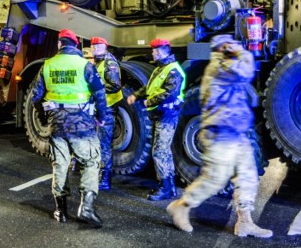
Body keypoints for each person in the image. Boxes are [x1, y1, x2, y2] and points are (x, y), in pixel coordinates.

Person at [166, 34, 273, 238]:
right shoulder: (221, 68)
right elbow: (247, 70)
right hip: (220, 133)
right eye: (230, 44)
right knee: (215, 179)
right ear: (222, 48)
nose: (236, 47)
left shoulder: (226, 66)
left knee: (247, 175)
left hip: (235, 131)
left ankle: (245, 221)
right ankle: (181, 205)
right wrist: (241, 52)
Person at [31, 29, 108, 227]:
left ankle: (61, 210)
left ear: (59, 45)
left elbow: (35, 97)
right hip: (83, 126)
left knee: (60, 165)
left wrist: (44, 116)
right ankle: (86, 209)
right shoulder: (85, 65)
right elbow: (100, 94)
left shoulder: (48, 66)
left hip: (57, 125)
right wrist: (101, 117)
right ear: (76, 45)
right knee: (90, 162)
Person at [127, 38, 185, 201]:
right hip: (160, 115)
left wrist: (148, 102)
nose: (152, 53)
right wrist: (136, 95)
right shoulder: (161, 69)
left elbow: (169, 93)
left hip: (167, 116)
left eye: (154, 51)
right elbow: (150, 88)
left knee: (160, 152)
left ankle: (165, 188)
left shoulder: (173, 70)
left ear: (160, 52)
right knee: (163, 152)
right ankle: (169, 187)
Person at [90, 37, 123, 190]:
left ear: (105, 47)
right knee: (99, 142)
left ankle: (105, 178)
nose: (95, 49)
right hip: (101, 107)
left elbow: (115, 86)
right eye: (93, 46)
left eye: (98, 46)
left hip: (108, 108)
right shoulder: (98, 62)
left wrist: (97, 91)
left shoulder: (109, 63)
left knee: (103, 144)